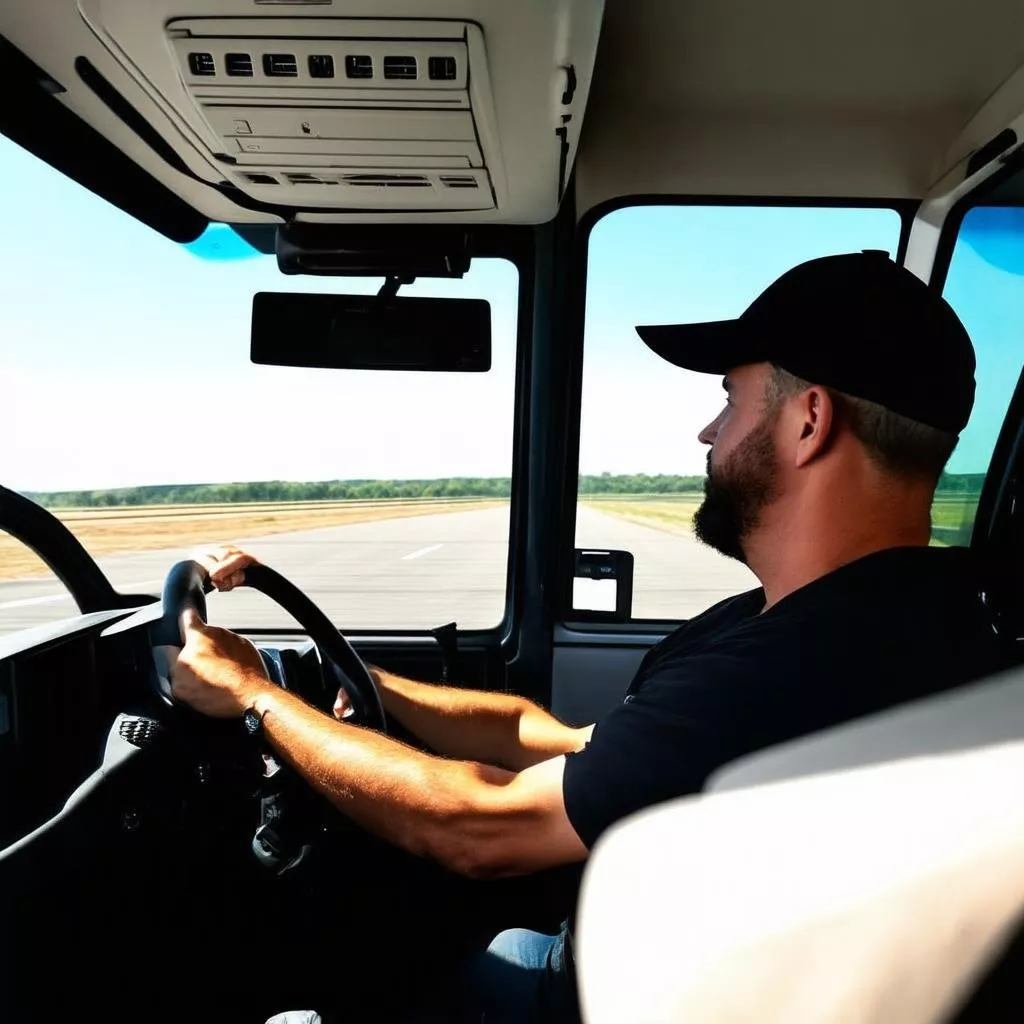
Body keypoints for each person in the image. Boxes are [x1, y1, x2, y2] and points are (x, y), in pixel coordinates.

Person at [171, 252, 1005, 1023]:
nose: (708, 432)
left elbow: (483, 827)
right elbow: (574, 743)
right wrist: (359, 680)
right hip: (639, 959)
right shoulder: (875, 616)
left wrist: (254, 697)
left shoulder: (798, 666)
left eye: (729, 399)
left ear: (809, 421)